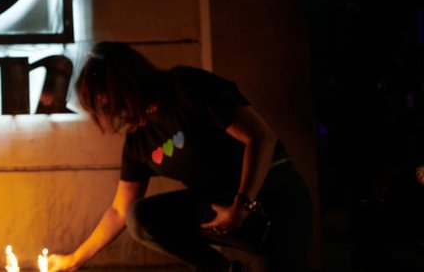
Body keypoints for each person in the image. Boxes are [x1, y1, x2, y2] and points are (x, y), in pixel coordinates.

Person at [46, 42, 312, 272]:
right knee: (140, 216)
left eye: (113, 104)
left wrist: (242, 205)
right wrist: (74, 259)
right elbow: (119, 210)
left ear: (128, 85)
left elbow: (261, 137)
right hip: (222, 210)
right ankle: (220, 268)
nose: (115, 115)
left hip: (272, 200)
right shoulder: (139, 141)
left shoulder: (186, 87)